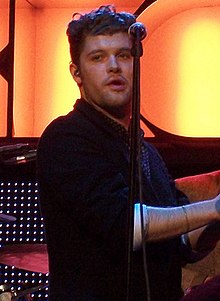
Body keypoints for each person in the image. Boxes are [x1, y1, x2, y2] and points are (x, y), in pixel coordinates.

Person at [37, 5, 220, 301]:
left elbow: (183, 242)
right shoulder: (67, 137)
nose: (114, 66)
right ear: (77, 73)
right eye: (98, 57)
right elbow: (123, 225)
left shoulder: (146, 151)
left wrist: (214, 219)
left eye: (123, 55)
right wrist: (213, 208)